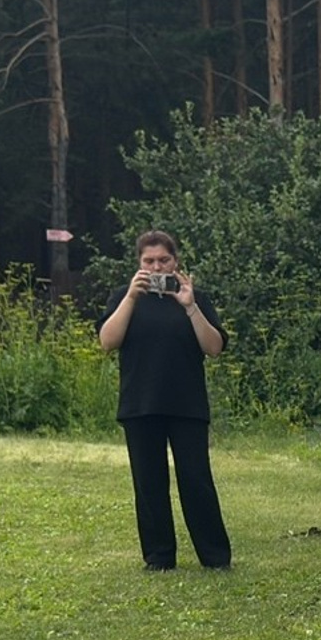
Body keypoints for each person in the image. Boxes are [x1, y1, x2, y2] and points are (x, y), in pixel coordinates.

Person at [99, 229, 230, 573]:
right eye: (149, 261)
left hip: (187, 405)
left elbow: (214, 348)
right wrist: (130, 297)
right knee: (148, 482)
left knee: (196, 479)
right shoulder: (123, 298)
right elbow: (107, 341)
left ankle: (215, 557)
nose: (157, 266)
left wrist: (190, 307)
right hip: (140, 405)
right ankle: (159, 558)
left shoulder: (195, 297)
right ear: (139, 264)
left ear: (176, 262)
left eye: (163, 260)